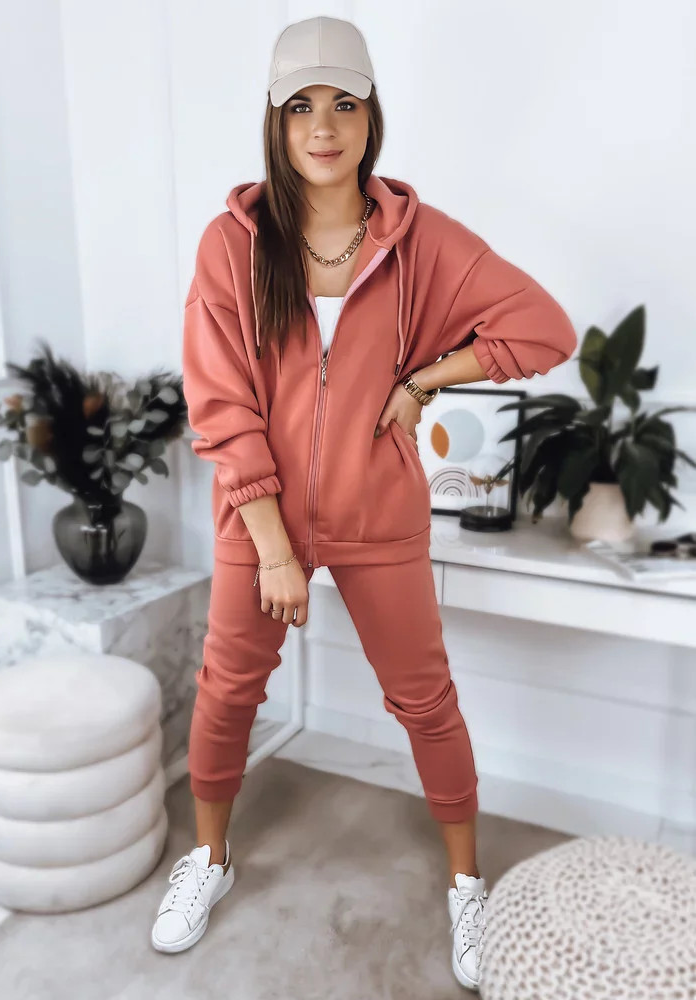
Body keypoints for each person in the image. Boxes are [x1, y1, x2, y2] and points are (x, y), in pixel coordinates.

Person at [151, 14, 577, 990]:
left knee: (426, 699)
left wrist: (426, 377)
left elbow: (543, 328)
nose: (323, 126)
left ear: (371, 114)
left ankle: (466, 883)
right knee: (228, 690)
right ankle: (210, 859)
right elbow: (220, 405)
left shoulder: (420, 243)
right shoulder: (232, 244)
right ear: (275, 119)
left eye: (344, 103)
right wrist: (273, 547)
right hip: (260, 521)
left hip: (380, 512)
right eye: (301, 106)